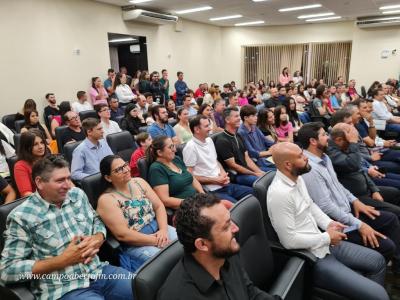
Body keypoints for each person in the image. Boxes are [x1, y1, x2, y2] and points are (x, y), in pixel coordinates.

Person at [267, 142, 389, 300]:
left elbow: (311, 205)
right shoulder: (280, 194)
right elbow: (289, 241)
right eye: (300, 156)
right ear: (288, 165)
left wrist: (328, 223)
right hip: (312, 255)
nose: (306, 158)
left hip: (323, 241)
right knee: (380, 295)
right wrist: (327, 237)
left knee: (377, 261)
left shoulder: (297, 178)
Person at [0, 156, 134, 300]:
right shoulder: (22, 217)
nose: (68, 185)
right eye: (60, 180)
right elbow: (7, 271)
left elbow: (96, 220)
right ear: (39, 182)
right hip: (63, 288)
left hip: (99, 271)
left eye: (68, 178)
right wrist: (62, 260)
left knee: (143, 287)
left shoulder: (77, 195)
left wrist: (98, 237)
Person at [298, 122, 400, 265]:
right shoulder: (310, 169)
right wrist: (360, 225)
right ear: (313, 141)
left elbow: (338, 185)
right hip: (338, 223)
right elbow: (326, 207)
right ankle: (379, 270)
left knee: (391, 219)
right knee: (388, 246)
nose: (328, 138)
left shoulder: (324, 158)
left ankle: (394, 264)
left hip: (348, 208)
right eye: (323, 135)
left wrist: (355, 201)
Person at [158, 193, 281, 300]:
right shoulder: (179, 295)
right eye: (226, 226)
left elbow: (249, 292)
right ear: (202, 244)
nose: (236, 228)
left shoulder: (225, 254)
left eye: (230, 220)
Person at [97, 155, 177, 272]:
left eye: (125, 165)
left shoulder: (139, 182)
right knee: (169, 261)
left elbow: (159, 206)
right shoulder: (107, 200)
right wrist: (156, 241)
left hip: (159, 230)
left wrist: (163, 231)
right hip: (136, 243)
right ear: (108, 178)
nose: (126, 170)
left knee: (186, 244)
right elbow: (122, 234)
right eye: (119, 169)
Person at [184, 115, 253, 203]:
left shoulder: (209, 140)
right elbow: (190, 176)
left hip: (224, 184)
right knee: (237, 208)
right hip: (212, 190)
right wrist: (215, 180)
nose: (210, 128)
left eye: (209, 125)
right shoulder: (190, 147)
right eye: (206, 126)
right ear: (197, 130)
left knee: (253, 193)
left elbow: (215, 161)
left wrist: (224, 175)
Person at [147, 136, 204, 209]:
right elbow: (165, 200)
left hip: (197, 201)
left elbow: (192, 178)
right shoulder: (156, 169)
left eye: (173, 145)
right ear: (160, 152)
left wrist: (202, 193)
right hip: (184, 208)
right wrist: (191, 203)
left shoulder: (176, 159)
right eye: (171, 147)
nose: (175, 150)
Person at [214, 107, 264, 187]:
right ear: (227, 120)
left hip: (248, 170)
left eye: (239, 116)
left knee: (272, 173)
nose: (239, 119)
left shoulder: (238, 135)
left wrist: (259, 172)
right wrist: (255, 173)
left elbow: (247, 158)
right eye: (236, 116)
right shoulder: (222, 141)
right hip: (238, 175)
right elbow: (233, 165)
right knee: (263, 182)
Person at [238, 105, 275, 171]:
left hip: (267, 157)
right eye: (253, 116)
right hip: (258, 162)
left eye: (256, 115)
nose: (256, 118)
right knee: (281, 169)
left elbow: (266, 141)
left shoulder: (254, 127)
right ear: (245, 118)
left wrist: (276, 146)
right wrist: (269, 152)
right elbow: (252, 152)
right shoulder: (241, 132)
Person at [14, 129, 49, 196]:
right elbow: (26, 194)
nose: (41, 147)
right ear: (27, 147)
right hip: (38, 201)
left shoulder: (48, 159)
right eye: (35, 144)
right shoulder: (20, 166)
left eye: (42, 143)